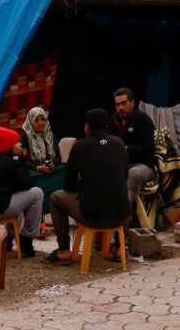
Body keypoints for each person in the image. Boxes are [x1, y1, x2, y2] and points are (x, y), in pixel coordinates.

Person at [42, 108, 129, 265]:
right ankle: (118, 248)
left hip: (93, 216)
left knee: (56, 197)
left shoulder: (80, 146)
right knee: (124, 195)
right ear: (107, 126)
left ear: (87, 127)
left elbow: (68, 184)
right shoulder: (119, 144)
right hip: (121, 216)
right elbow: (124, 176)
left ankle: (63, 250)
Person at [0, 128, 41, 257]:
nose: (20, 144)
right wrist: (21, 159)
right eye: (17, 142)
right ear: (9, 146)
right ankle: (26, 240)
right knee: (37, 193)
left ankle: (8, 241)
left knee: (15, 196)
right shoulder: (10, 163)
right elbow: (27, 184)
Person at [110, 87, 157, 211]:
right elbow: (105, 140)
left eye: (124, 103)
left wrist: (127, 149)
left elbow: (148, 149)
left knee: (133, 174)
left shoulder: (143, 121)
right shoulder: (112, 121)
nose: (120, 108)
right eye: (117, 104)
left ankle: (125, 216)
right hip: (119, 165)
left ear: (132, 102)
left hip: (143, 165)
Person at [20, 106, 65, 214]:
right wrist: (37, 167)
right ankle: (40, 215)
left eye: (43, 119)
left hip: (50, 169)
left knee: (65, 172)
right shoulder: (25, 138)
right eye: (36, 120)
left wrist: (54, 163)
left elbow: (58, 156)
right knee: (40, 182)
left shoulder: (50, 134)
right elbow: (21, 161)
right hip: (35, 171)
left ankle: (60, 209)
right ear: (30, 121)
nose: (41, 123)